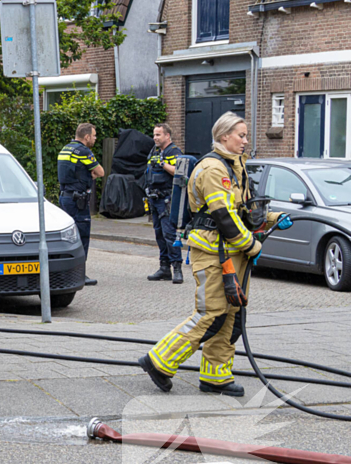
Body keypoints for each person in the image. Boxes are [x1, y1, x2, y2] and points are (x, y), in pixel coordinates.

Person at [138, 112, 292, 397]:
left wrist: (273, 218)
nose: (245, 141)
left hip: (233, 253)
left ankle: (215, 376)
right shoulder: (212, 169)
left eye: (245, 136)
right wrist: (252, 246)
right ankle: (159, 361)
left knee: (231, 314)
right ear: (224, 136)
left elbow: (243, 210)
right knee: (210, 314)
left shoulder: (236, 166)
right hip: (212, 253)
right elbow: (223, 216)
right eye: (241, 135)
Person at [57, 122, 104, 286]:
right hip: (78, 201)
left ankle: (64, 273)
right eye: (94, 136)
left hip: (65, 198)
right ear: (87, 136)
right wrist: (90, 174)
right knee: (81, 236)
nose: (95, 139)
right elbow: (100, 172)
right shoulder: (83, 151)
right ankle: (79, 275)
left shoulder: (65, 149)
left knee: (66, 237)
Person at [145, 123, 184, 284]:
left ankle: (177, 269)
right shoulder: (154, 151)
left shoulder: (174, 152)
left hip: (167, 199)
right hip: (154, 199)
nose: (155, 138)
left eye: (158, 135)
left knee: (169, 235)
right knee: (159, 235)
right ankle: (164, 268)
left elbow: (180, 171)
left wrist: (162, 164)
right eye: (154, 134)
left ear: (167, 136)